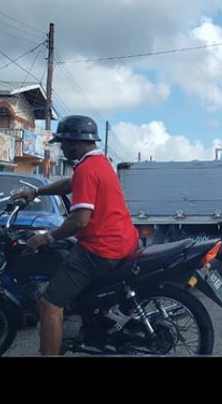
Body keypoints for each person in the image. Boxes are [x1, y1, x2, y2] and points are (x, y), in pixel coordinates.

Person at [11, 115, 138, 355]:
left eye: (63, 143)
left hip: (101, 248)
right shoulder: (98, 162)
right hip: (122, 240)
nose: (62, 148)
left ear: (73, 142)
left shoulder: (87, 170)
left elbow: (79, 221)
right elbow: (70, 183)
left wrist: (46, 237)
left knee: (49, 304)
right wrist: (37, 191)